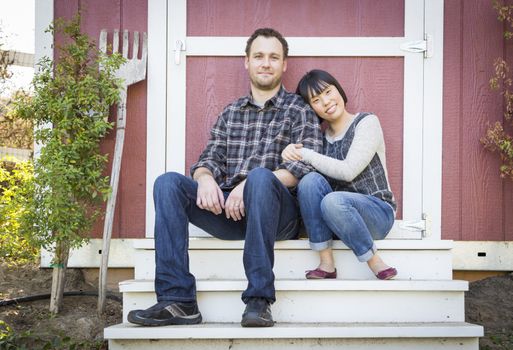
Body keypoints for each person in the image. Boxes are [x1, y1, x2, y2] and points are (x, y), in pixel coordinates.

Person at [127, 28, 322, 328]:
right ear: (247, 61)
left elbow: (303, 169)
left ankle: (259, 299)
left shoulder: (299, 110)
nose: (266, 63)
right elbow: (210, 159)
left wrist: (249, 184)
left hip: (278, 215)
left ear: (284, 64)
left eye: (274, 57)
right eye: (258, 56)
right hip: (231, 211)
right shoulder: (231, 112)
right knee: (167, 184)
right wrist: (204, 178)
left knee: (258, 177)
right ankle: (178, 301)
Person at [281, 69, 397, 281]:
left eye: (327, 91)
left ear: (338, 90)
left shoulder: (366, 122)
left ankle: (374, 261)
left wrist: (305, 154)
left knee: (333, 200)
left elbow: (348, 170)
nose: (325, 102)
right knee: (309, 181)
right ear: (311, 109)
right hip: (336, 219)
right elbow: (308, 182)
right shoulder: (319, 140)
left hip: (377, 213)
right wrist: (288, 152)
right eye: (316, 100)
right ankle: (326, 263)